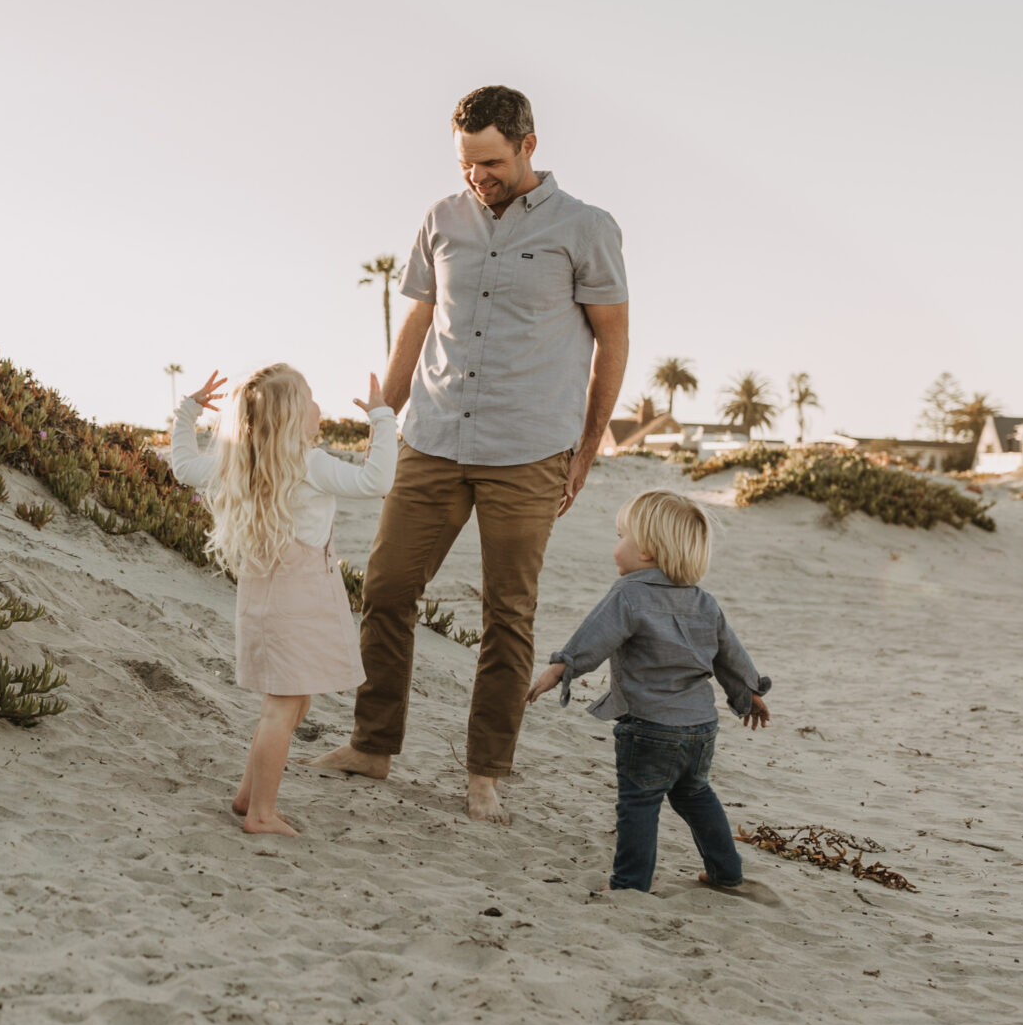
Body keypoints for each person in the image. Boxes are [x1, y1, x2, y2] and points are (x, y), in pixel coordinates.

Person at [305, 85, 629, 824]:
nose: (476, 175)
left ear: (528, 147)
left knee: (507, 615)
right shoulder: (442, 219)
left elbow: (613, 340)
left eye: (490, 161)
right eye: (466, 162)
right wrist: (385, 416)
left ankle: (486, 771)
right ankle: (372, 743)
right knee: (386, 586)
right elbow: (419, 316)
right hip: (434, 435)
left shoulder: (586, 228)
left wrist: (584, 450)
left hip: (528, 448)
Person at [167, 363, 396, 835]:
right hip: (301, 599)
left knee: (293, 704)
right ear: (293, 416)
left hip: (267, 599)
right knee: (282, 708)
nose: (319, 406)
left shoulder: (239, 459)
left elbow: (184, 467)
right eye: (311, 398)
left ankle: (249, 795)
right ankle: (261, 814)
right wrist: (383, 419)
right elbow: (377, 483)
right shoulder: (308, 464)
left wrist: (188, 413)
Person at [528, 490, 770, 893]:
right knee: (696, 795)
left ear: (647, 552)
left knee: (638, 805)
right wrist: (749, 695)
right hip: (700, 728)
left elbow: (594, 638)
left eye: (622, 536)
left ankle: (630, 883)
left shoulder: (629, 594)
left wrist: (561, 667)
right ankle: (727, 873)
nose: (616, 546)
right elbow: (731, 656)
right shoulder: (703, 602)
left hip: (649, 727)